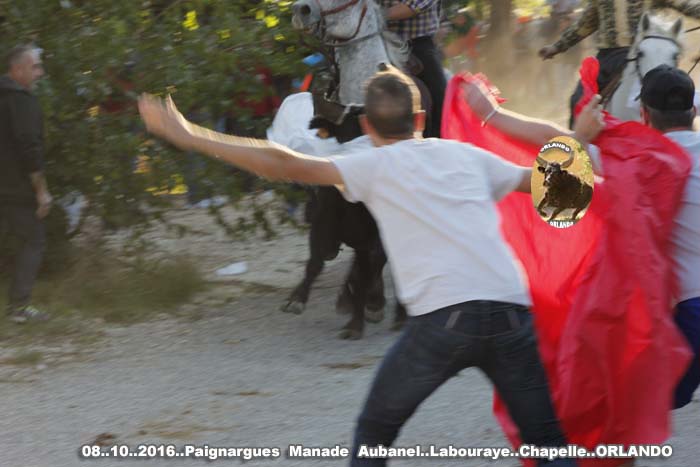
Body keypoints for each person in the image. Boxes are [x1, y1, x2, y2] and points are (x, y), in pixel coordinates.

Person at [139, 66, 607, 466]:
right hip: (510, 313)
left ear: (366, 124)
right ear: (422, 118)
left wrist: (190, 135)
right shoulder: (468, 157)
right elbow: (563, 194)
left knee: (374, 435)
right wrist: (577, 138)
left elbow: (283, 162)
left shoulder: (368, 165)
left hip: (442, 325)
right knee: (549, 446)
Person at [462, 64, 699, 413]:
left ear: (645, 114)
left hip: (688, 314)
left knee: (621, 412)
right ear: (694, 110)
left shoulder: (637, 159)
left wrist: (490, 112)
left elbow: (552, 139)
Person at [538, 0, 700, 127]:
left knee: (675, 92)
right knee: (578, 101)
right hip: (610, 55)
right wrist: (557, 46)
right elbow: (586, 23)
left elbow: (686, 4)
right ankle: (579, 153)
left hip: (647, 51)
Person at [0, 44, 51, 323]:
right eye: (35, 67)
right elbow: (29, 149)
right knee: (33, 240)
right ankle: (18, 309)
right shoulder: (22, 101)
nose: (40, 73)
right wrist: (41, 191)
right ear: (17, 69)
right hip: (15, 189)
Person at [381, 0, 447, 137]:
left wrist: (375, 15)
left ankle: (438, 138)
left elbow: (414, 5)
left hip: (417, 45)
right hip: (375, 42)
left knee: (440, 98)